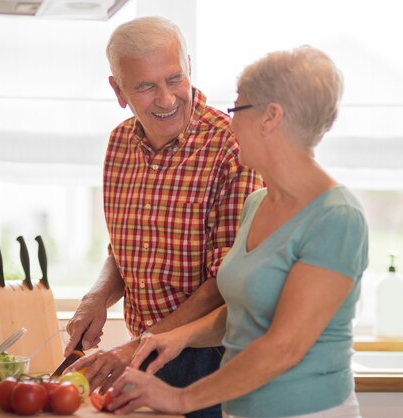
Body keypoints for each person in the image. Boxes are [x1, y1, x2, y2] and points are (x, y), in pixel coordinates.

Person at [108, 46, 368, 418]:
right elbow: (248, 312)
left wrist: (180, 398)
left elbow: (285, 346)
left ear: (270, 117)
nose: (229, 124)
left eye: (237, 110)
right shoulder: (258, 204)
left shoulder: (336, 217)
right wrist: (174, 338)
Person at [65, 16, 263, 418]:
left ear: (189, 66)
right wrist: (98, 297)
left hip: (212, 358)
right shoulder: (119, 144)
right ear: (118, 90)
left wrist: (137, 348)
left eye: (174, 79)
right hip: (146, 353)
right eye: (145, 86)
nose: (167, 98)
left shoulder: (232, 148)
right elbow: (125, 249)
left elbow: (226, 279)